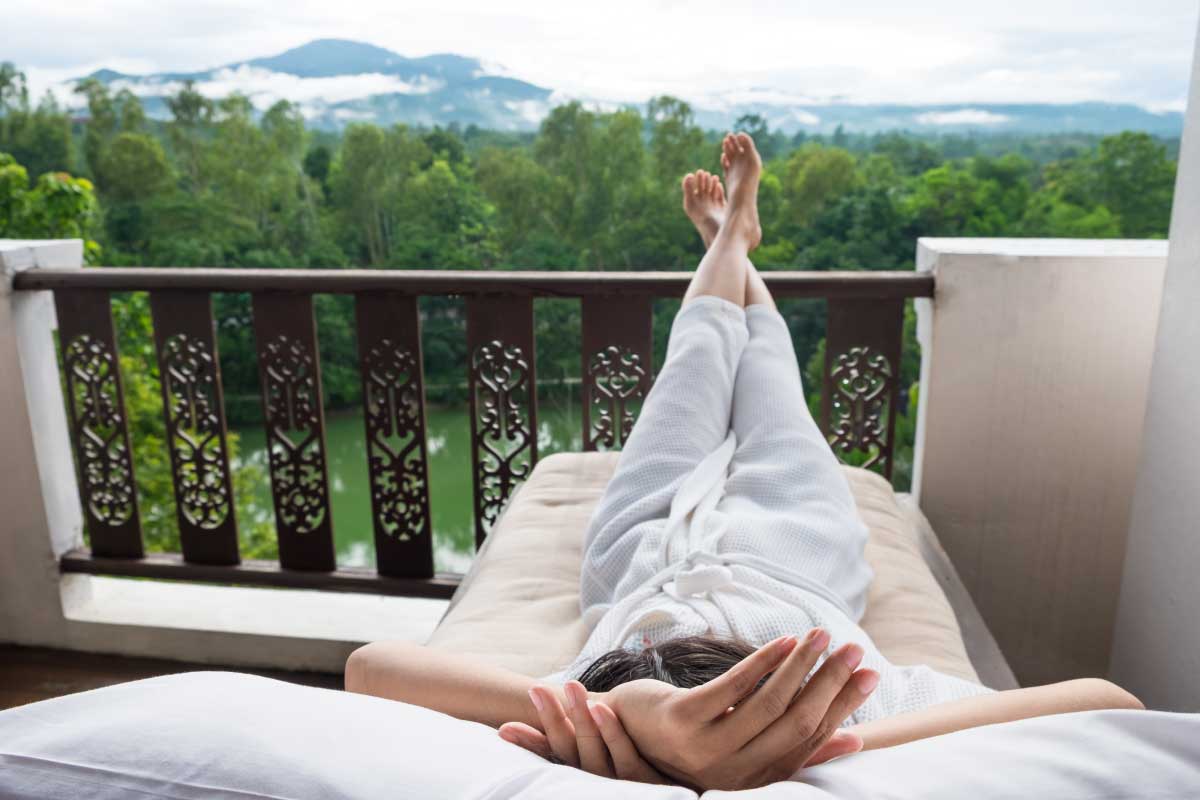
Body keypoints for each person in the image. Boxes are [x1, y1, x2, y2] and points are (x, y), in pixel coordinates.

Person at [345, 132, 1143, 792]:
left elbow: (371, 670)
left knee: (696, 357)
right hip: (796, 551)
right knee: (768, 373)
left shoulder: (591, 726)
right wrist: (818, 746)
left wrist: (627, 714)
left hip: (642, 557)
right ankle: (733, 236)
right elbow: (1107, 702)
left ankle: (729, 238)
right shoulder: (855, 710)